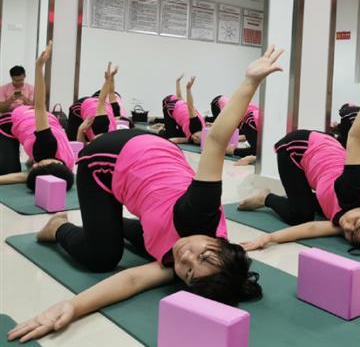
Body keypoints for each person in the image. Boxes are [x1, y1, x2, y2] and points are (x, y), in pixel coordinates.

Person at [7, 46, 284, 343]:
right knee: (102, 257)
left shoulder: (187, 264)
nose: (186, 256)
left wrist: (71, 307)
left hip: (150, 157)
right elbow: (216, 141)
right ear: (219, 242)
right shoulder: (200, 211)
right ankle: (58, 227)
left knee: (158, 245)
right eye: (202, 254)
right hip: (106, 159)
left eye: (189, 272)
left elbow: (133, 279)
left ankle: (111, 227)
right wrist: (251, 82)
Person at [238, 61, 360, 254]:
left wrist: (268, 238)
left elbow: (312, 229)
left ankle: (299, 198)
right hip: (298, 148)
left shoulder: (350, 224)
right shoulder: (355, 186)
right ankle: (266, 197)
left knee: (309, 212)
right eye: (355, 223)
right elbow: (354, 137)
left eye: (351, 235)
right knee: (300, 215)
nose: (346, 227)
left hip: (323, 158)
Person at [0, 42, 74, 190]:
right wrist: (39, 66)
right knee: (7, 168)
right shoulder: (47, 145)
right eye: (37, 167)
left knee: (9, 172)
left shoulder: (65, 170)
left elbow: (23, 176)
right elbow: (39, 106)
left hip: (39, 125)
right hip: (14, 119)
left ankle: (28, 156)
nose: (35, 167)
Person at [67, 64, 118, 143]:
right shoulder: (101, 125)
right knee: (72, 142)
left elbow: (83, 146)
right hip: (81, 106)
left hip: (96, 107)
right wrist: (109, 79)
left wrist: (81, 129)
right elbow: (103, 99)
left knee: (80, 139)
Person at [160, 75, 205, 145]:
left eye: (195, 141)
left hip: (180, 108)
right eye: (197, 137)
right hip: (171, 107)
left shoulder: (192, 138)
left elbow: (178, 140)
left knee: (177, 135)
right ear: (202, 133)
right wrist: (188, 89)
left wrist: (168, 141)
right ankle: (161, 131)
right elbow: (190, 106)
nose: (194, 138)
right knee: (170, 134)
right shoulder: (197, 125)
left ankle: (164, 129)